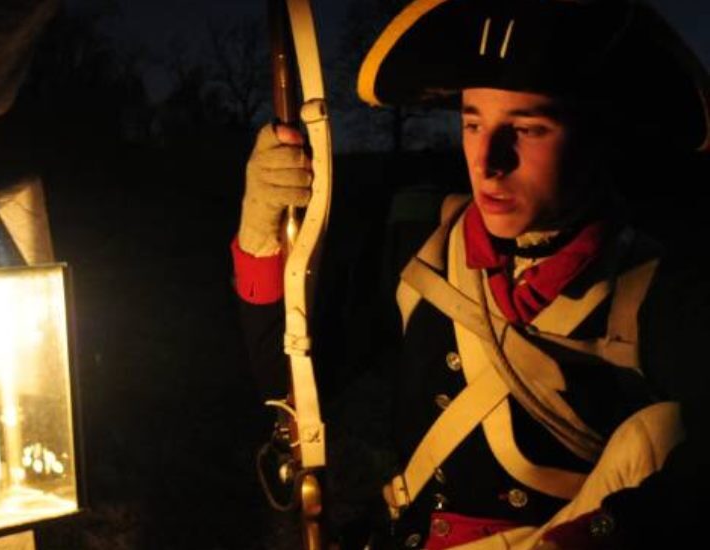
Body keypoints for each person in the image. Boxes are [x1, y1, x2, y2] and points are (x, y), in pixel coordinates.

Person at [232, 0, 710, 548]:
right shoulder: (417, 237)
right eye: (473, 123)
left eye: (528, 130)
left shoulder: (658, 287)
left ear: (591, 138)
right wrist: (261, 233)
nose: (488, 161)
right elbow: (290, 383)